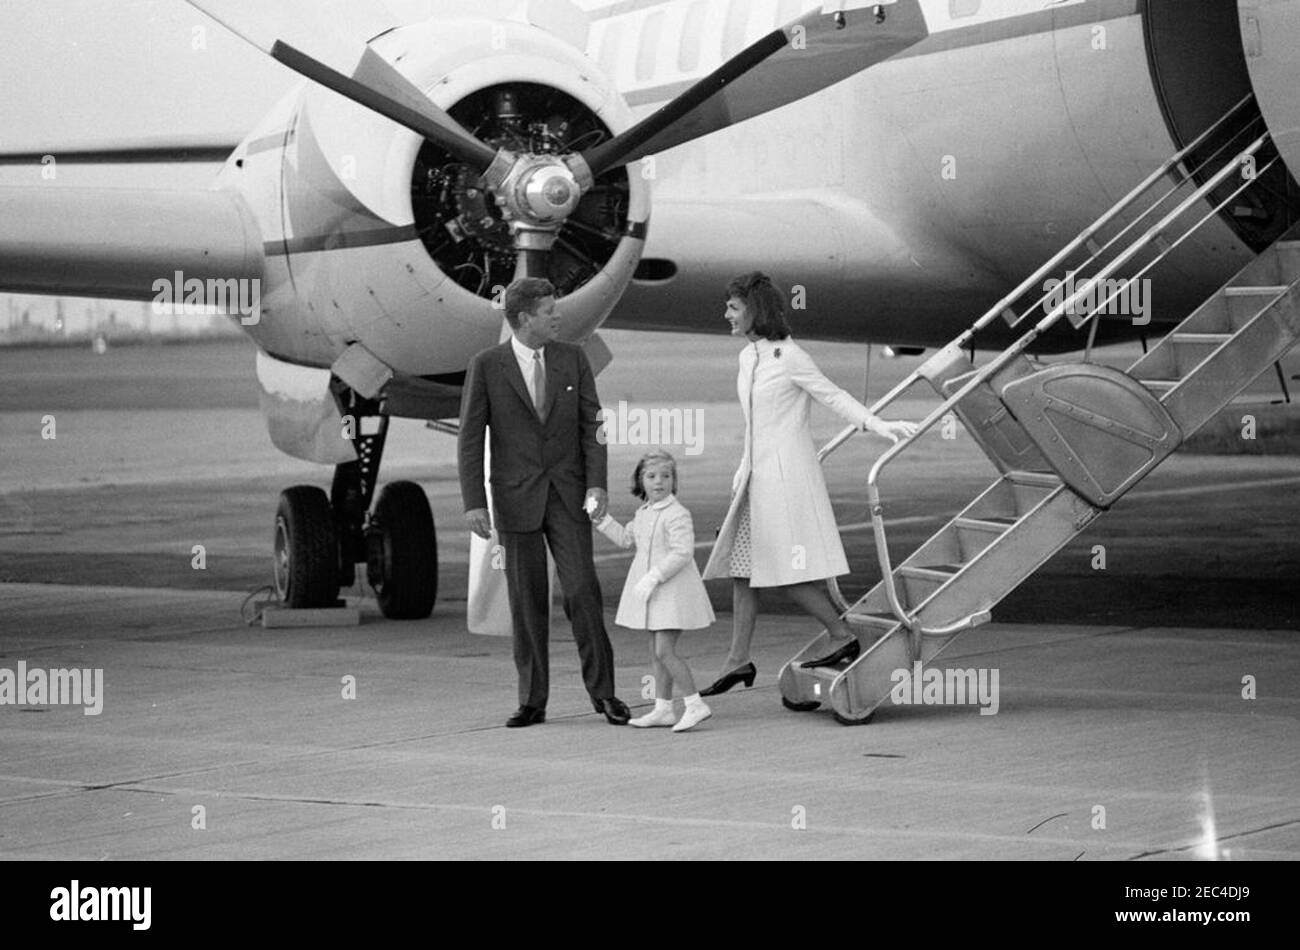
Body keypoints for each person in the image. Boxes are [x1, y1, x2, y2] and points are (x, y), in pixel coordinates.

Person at [700, 272, 920, 696]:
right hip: (753, 479)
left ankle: (841, 636)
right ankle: (737, 660)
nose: (725, 315)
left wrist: (877, 424)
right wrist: (739, 475)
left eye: (733, 308)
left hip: (784, 481)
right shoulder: (749, 358)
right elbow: (754, 426)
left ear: (755, 311)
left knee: (785, 570)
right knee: (743, 571)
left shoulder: (790, 356)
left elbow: (832, 395)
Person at [458, 277, 631, 728]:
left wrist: (597, 484)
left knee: (582, 592)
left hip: (568, 496)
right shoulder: (487, 365)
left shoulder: (572, 358)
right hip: (515, 499)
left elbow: (594, 426)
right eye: (549, 310)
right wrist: (474, 502)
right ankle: (532, 700)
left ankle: (605, 694)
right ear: (523, 319)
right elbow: (471, 437)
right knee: (527, 600)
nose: (558, 316)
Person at [594, 451, 716, 732]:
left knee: (665, 651)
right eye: (651, 476)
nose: (658, 482)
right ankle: (663, 708)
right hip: (654, 595)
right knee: (656, 652)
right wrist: (601, 520)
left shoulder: (677, 513)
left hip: (673, 593)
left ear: (674, 481)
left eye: (666, 476)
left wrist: (653, 577)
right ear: (640, 480)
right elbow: (627, 539)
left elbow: (682, 552)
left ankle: (695, 704)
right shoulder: (644, 512)